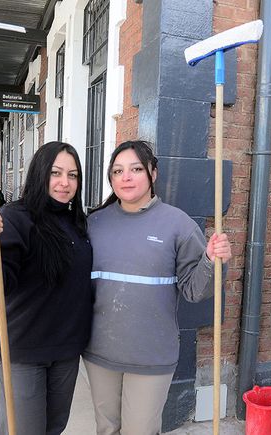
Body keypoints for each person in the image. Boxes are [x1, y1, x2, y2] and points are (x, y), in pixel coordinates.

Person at [83, 140, 232, 435]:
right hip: (99, 352)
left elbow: (195, 290)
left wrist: (213, 261)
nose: (126, 177)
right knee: (106, 428)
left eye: (136, 169)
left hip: (151, 355)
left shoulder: (177, 224)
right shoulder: (94, 223)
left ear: (153, 172)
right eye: (117, 171)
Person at [0, 141, 93, 435]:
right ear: (39, 173)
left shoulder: (77, 223)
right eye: (56, 173)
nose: (64, 183)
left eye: (73, 175)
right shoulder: (14, 218)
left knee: (54, 428)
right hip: (21, 351)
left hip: (66, 352)